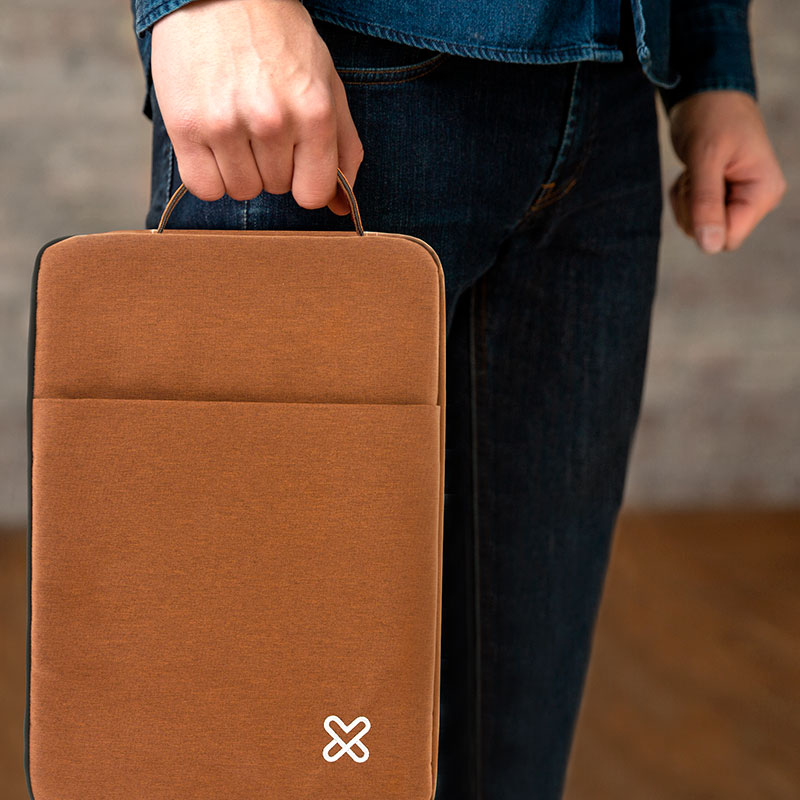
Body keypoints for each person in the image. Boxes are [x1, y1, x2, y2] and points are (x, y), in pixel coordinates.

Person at [129, 0, 786, 797]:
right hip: (341, 83)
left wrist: (713, 61)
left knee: (515, 762)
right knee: (268, 754)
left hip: (608, 91)